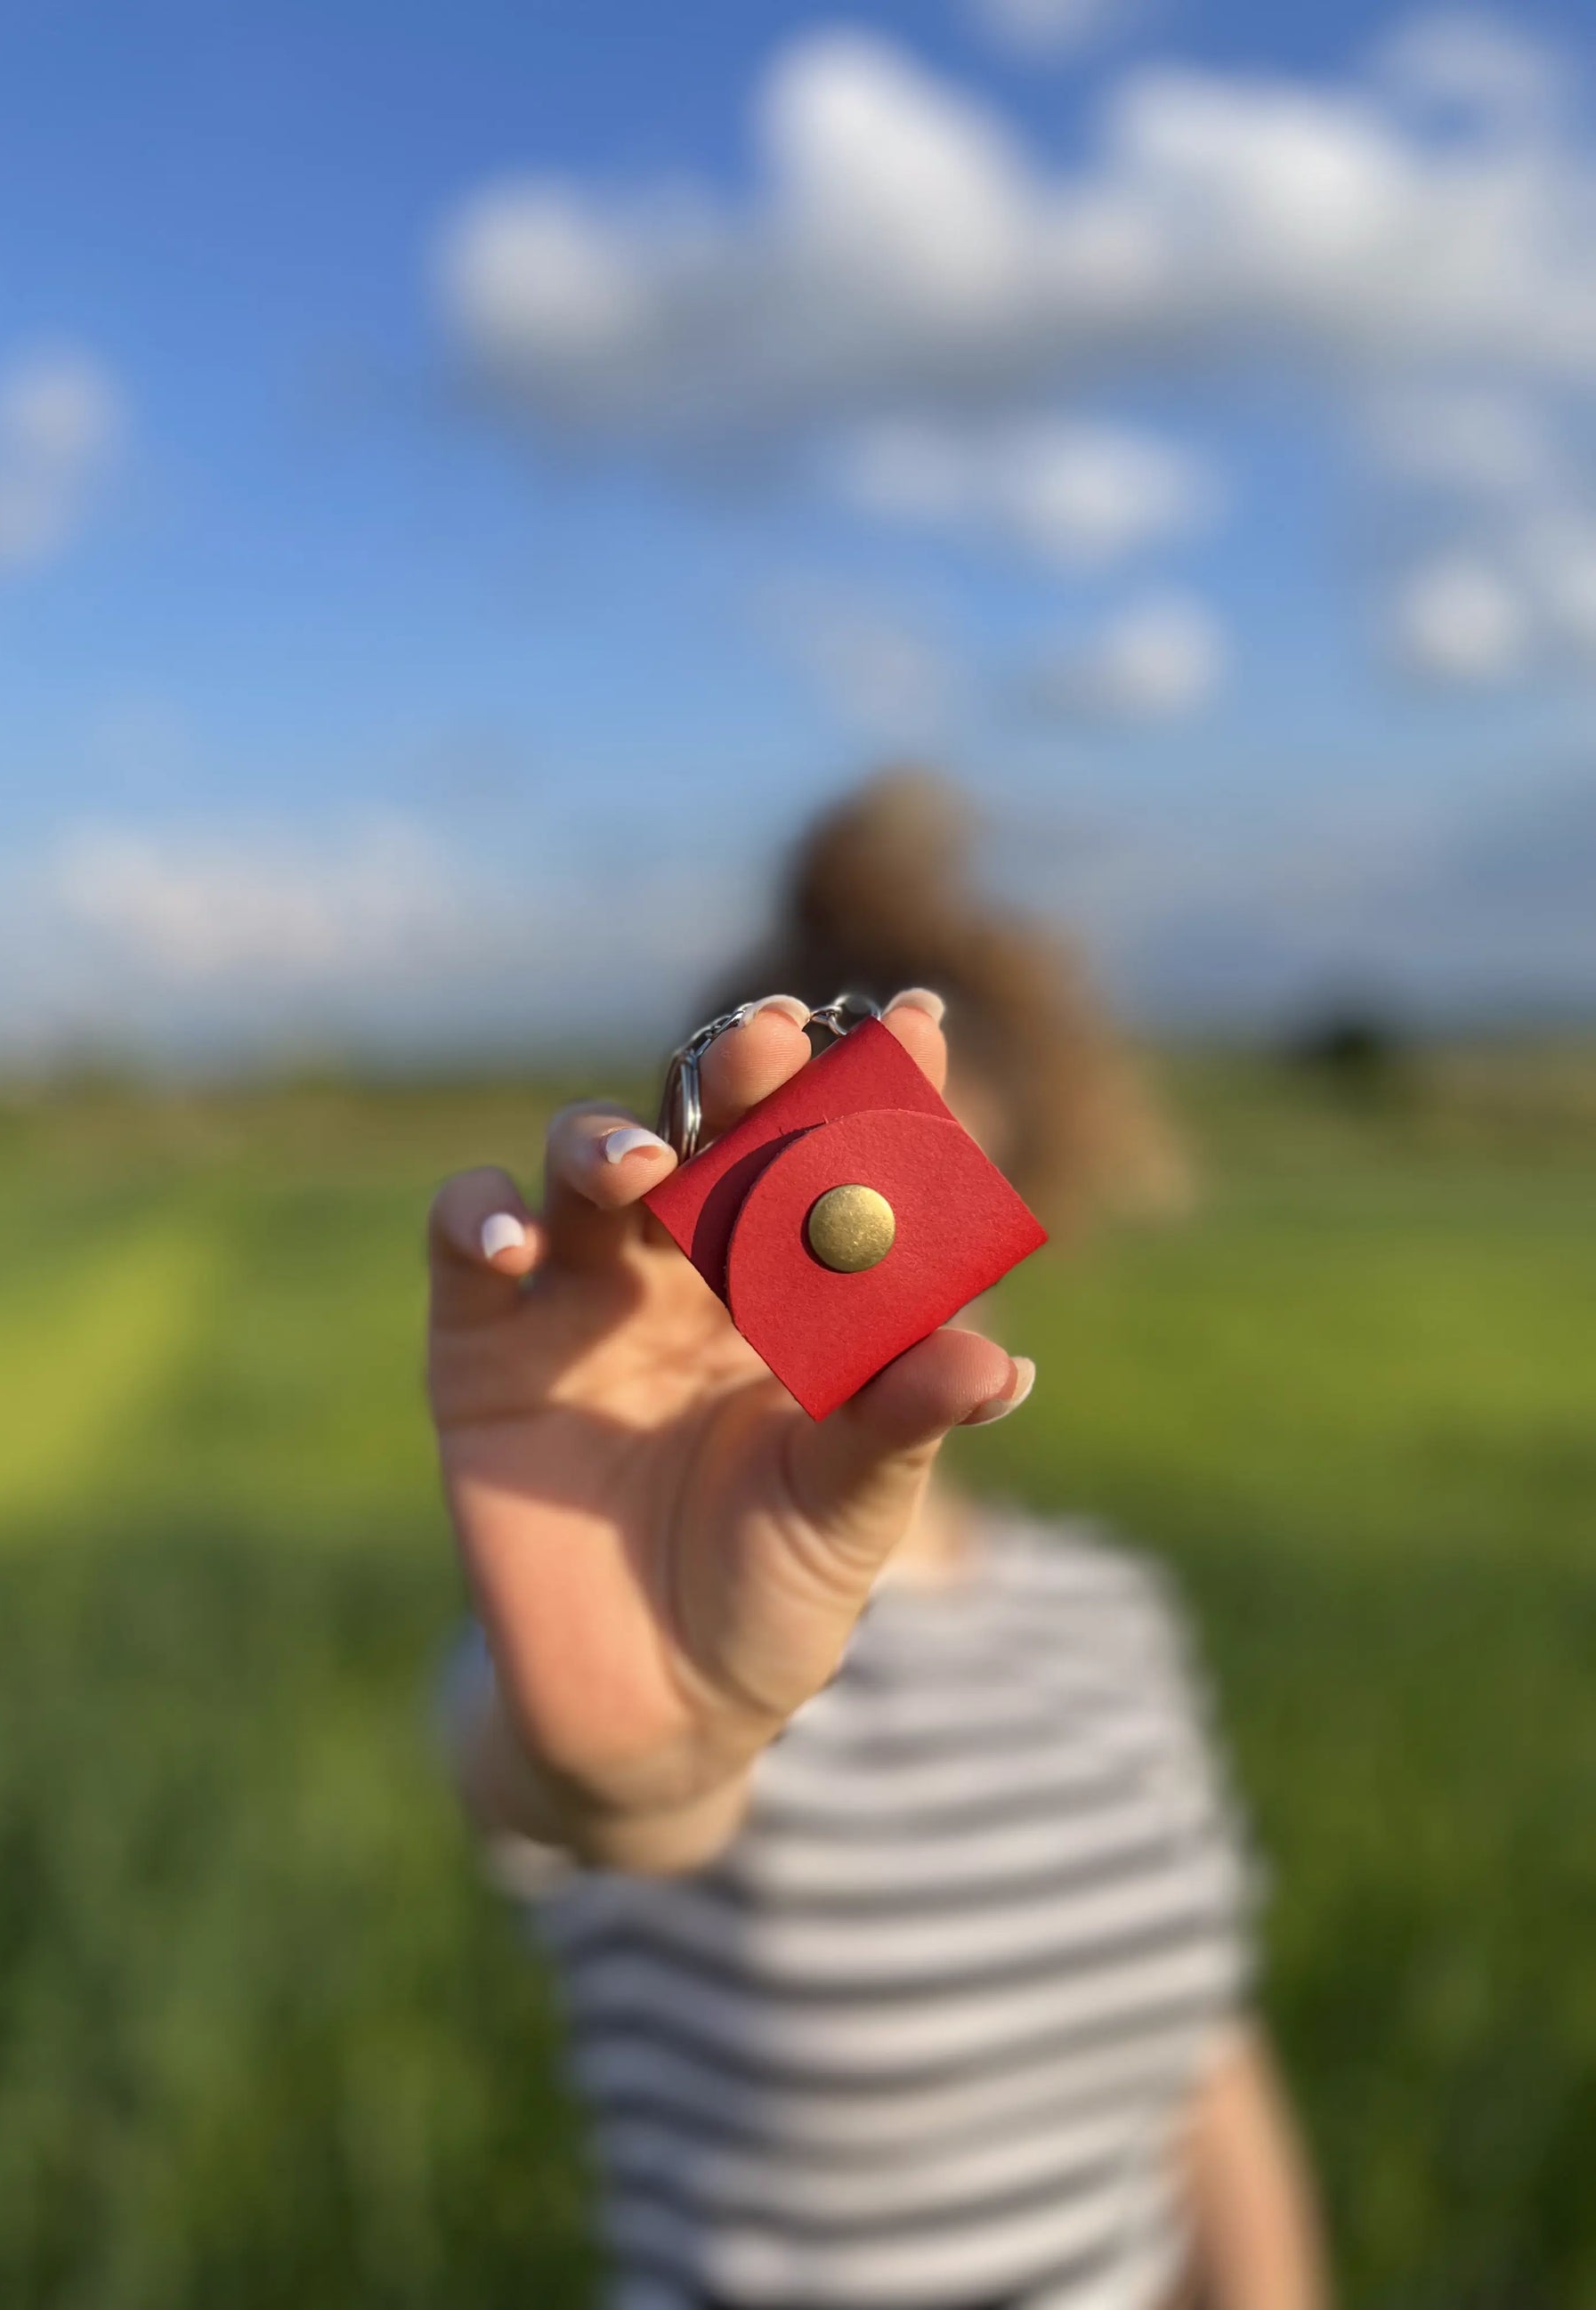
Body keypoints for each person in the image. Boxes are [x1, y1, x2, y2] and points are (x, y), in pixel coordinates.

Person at [431, 774, 1327, 2310]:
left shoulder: (1110, 1614)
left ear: (1019, 1210)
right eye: (805, 1194)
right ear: (692, 1223)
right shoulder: (632, 1613)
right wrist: (658, 1758)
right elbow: (587, 1785)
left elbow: (1205, 2074)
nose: (887, 1268)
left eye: (937, 1191)